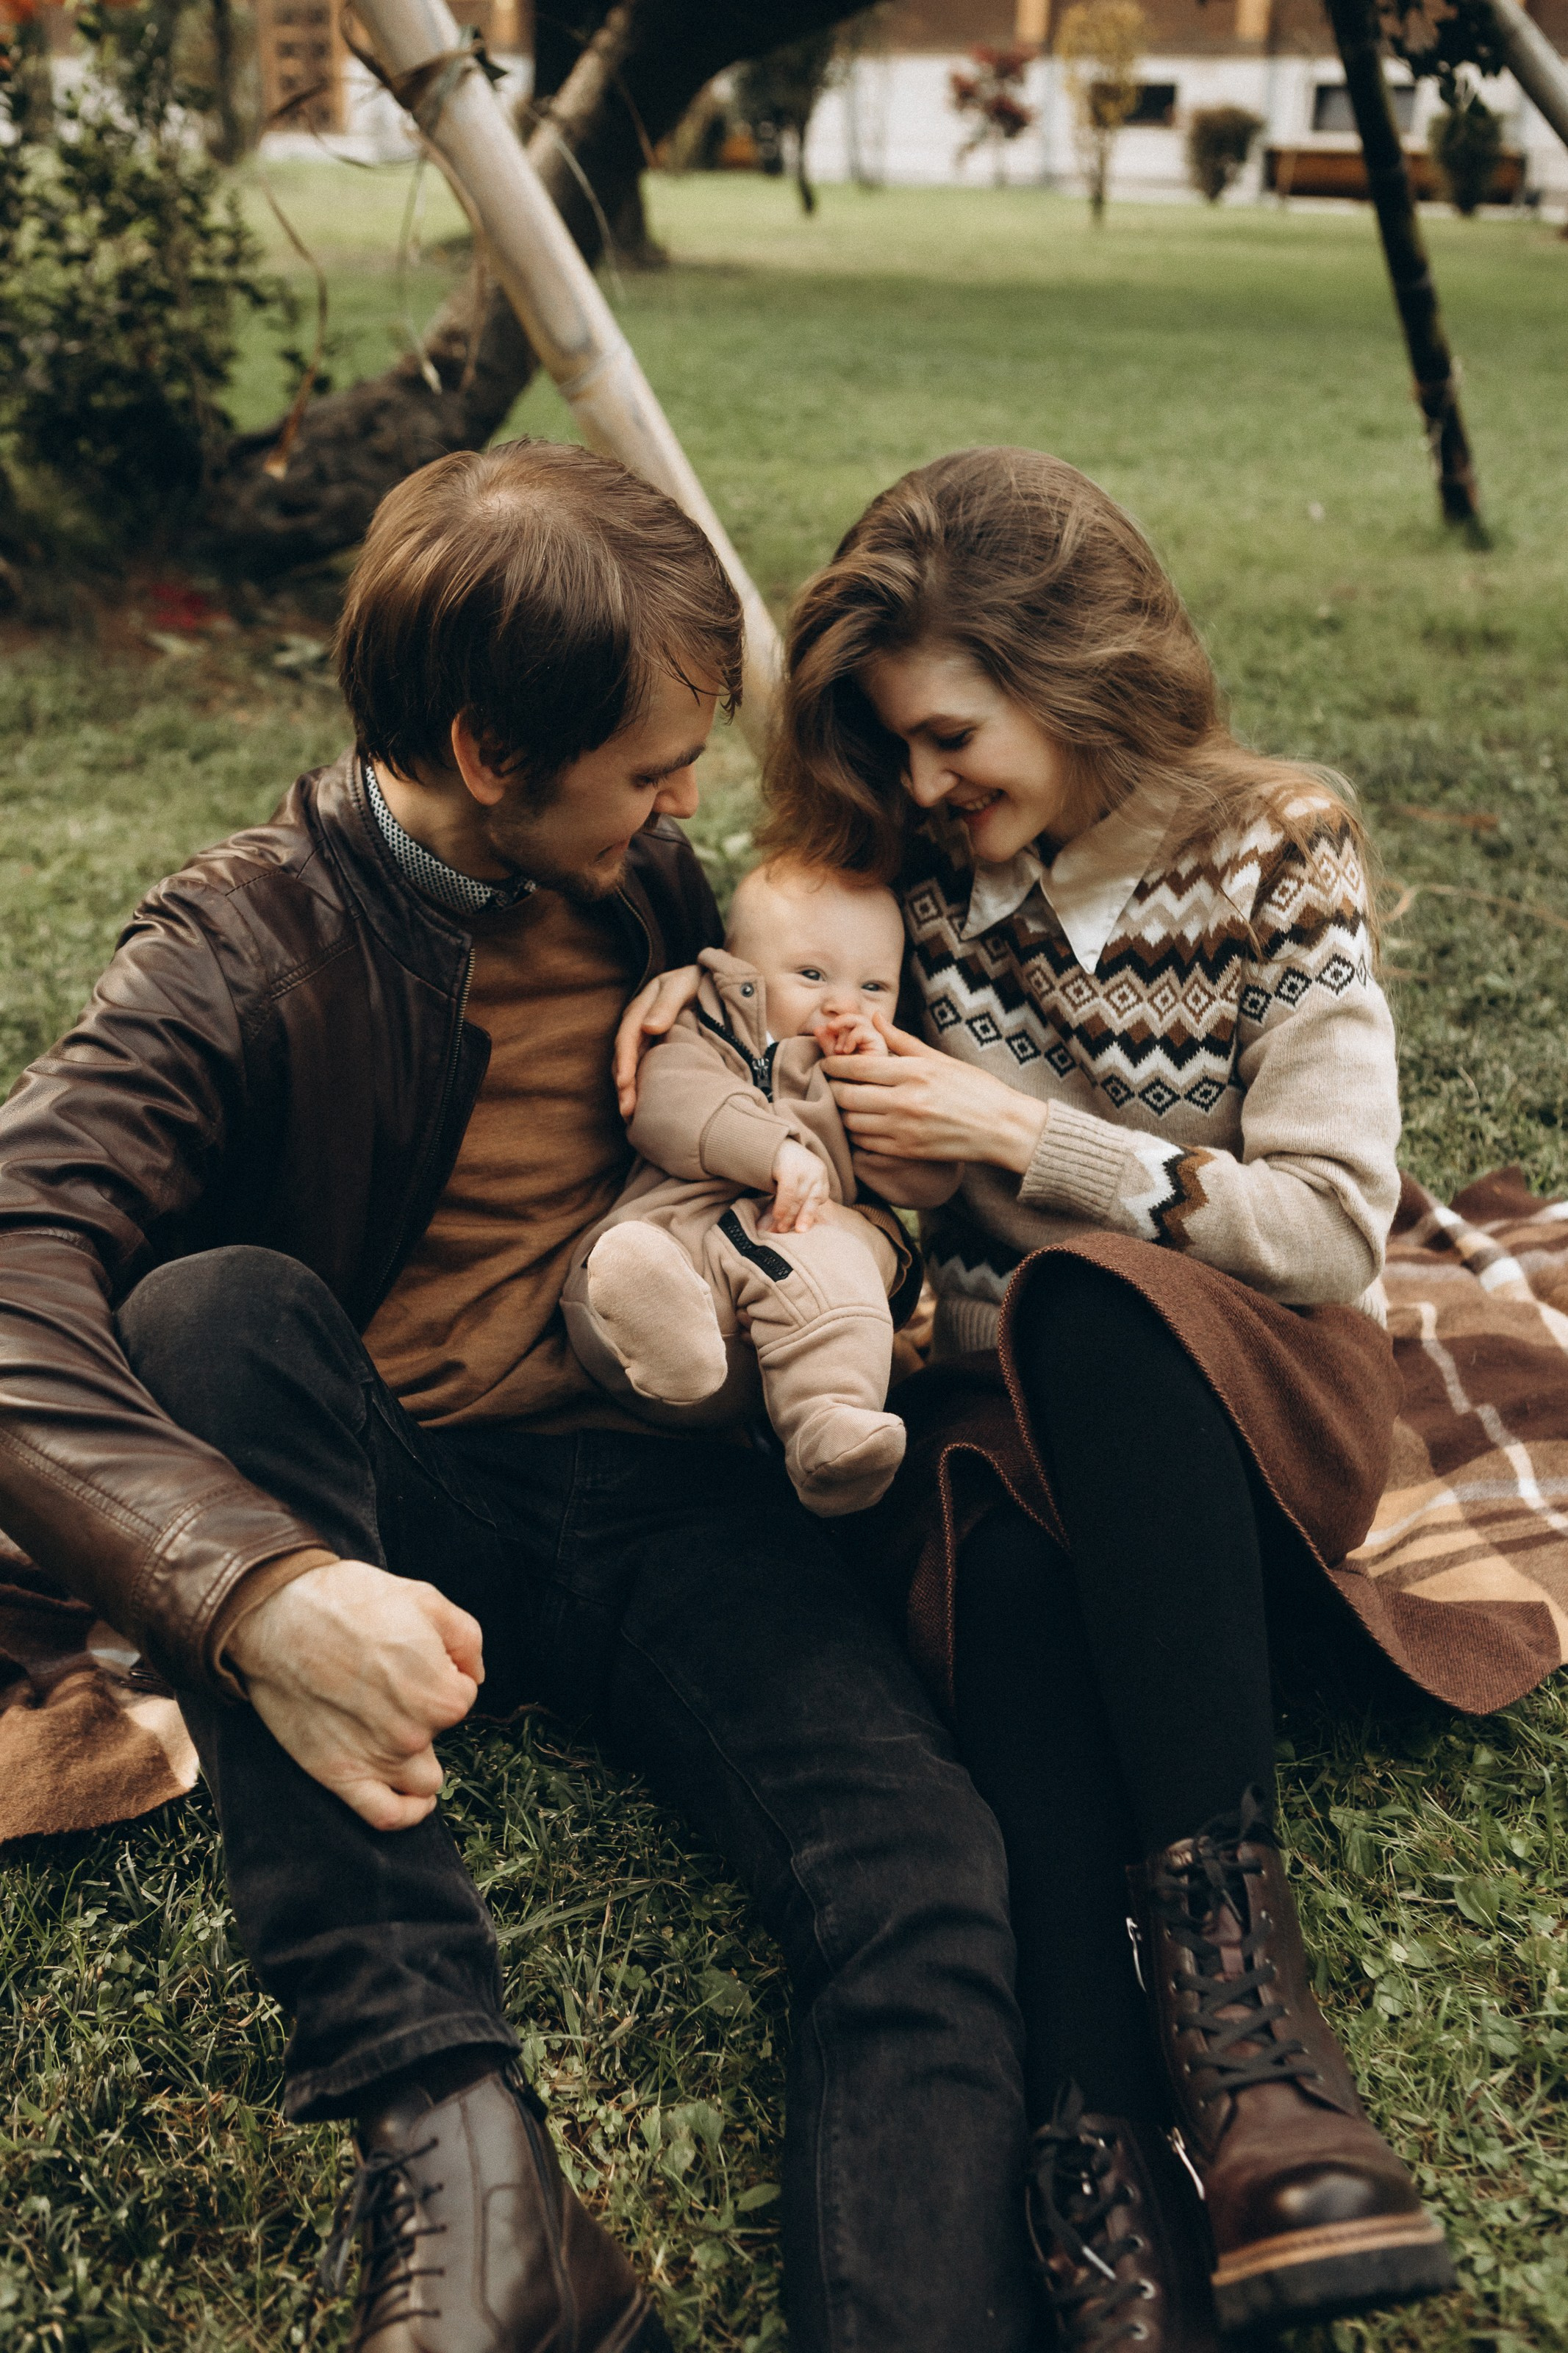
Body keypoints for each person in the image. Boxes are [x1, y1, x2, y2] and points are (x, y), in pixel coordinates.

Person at [0, 438, 1054, 2353]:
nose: (685, 812)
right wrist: (254, 1588)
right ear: (491, 752)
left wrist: (858, 1239)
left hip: (672, 1487)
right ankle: (463, 2166)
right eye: (653, 769)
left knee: (926, 1883)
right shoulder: (236, 945)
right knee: (215, 1307)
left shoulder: (647, 890)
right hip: (393, 1505)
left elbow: (806, 1150)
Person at [625, 446, 1457, 2350]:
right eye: (899, 756)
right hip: (1024, 1441)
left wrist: (1022, 1136)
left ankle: (1254, 2051)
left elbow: (1326, 1236)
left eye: (943, 734)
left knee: (1087, 1307)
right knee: (986, 1552)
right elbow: (771, 968)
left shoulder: (1275, 847)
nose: (922, 789)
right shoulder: (928, 880)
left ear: (1064, 670)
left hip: (1252, 1424)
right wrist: (692, 1016)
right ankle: (1104, 2155)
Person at [563, 858, 959, 1515]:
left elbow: (926, 1180)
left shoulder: (857, 1067)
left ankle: (830, 1429)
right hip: (684, 1233)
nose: (845, 1004)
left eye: (874, 986)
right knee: (628, 1260)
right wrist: (771, 1148)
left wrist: (876, 1087)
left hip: (801, 1247)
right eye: (812, 975)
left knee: (835, 1268)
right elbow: (665, 1103)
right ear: (735, 969)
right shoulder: (699, 1027)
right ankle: (672, 1348)